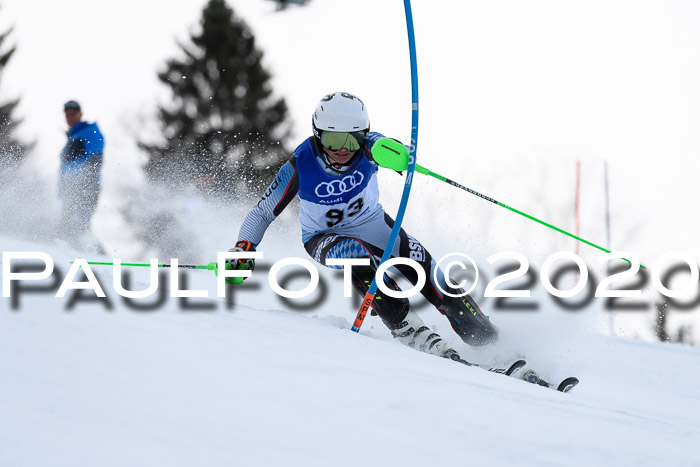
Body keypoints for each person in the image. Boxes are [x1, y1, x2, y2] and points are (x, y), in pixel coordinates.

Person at [228, 92, 498, 361]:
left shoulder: (369, 147)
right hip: (324, 237)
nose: (344, 149)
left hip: (373, 224)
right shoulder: (301, 163)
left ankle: (489, 340)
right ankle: (408, 327)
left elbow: (392, 150)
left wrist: (396, 154)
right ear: (318, 135)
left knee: (429, 270)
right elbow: (264, 211)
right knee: (355, 255)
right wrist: (244, 247)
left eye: (352, 138)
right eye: (334, 139)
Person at [58, 100, 105, 252]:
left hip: (85, 189)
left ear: (80, 114)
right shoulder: (72, 137)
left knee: (80, 226)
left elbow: (96, 160)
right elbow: (65, 170)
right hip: (70, 190)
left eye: (73, 113)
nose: (70, 117)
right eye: (67, 114)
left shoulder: (90, 131)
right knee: (68, 227)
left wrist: (85, 185)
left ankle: (98, 254)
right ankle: (76, 255)